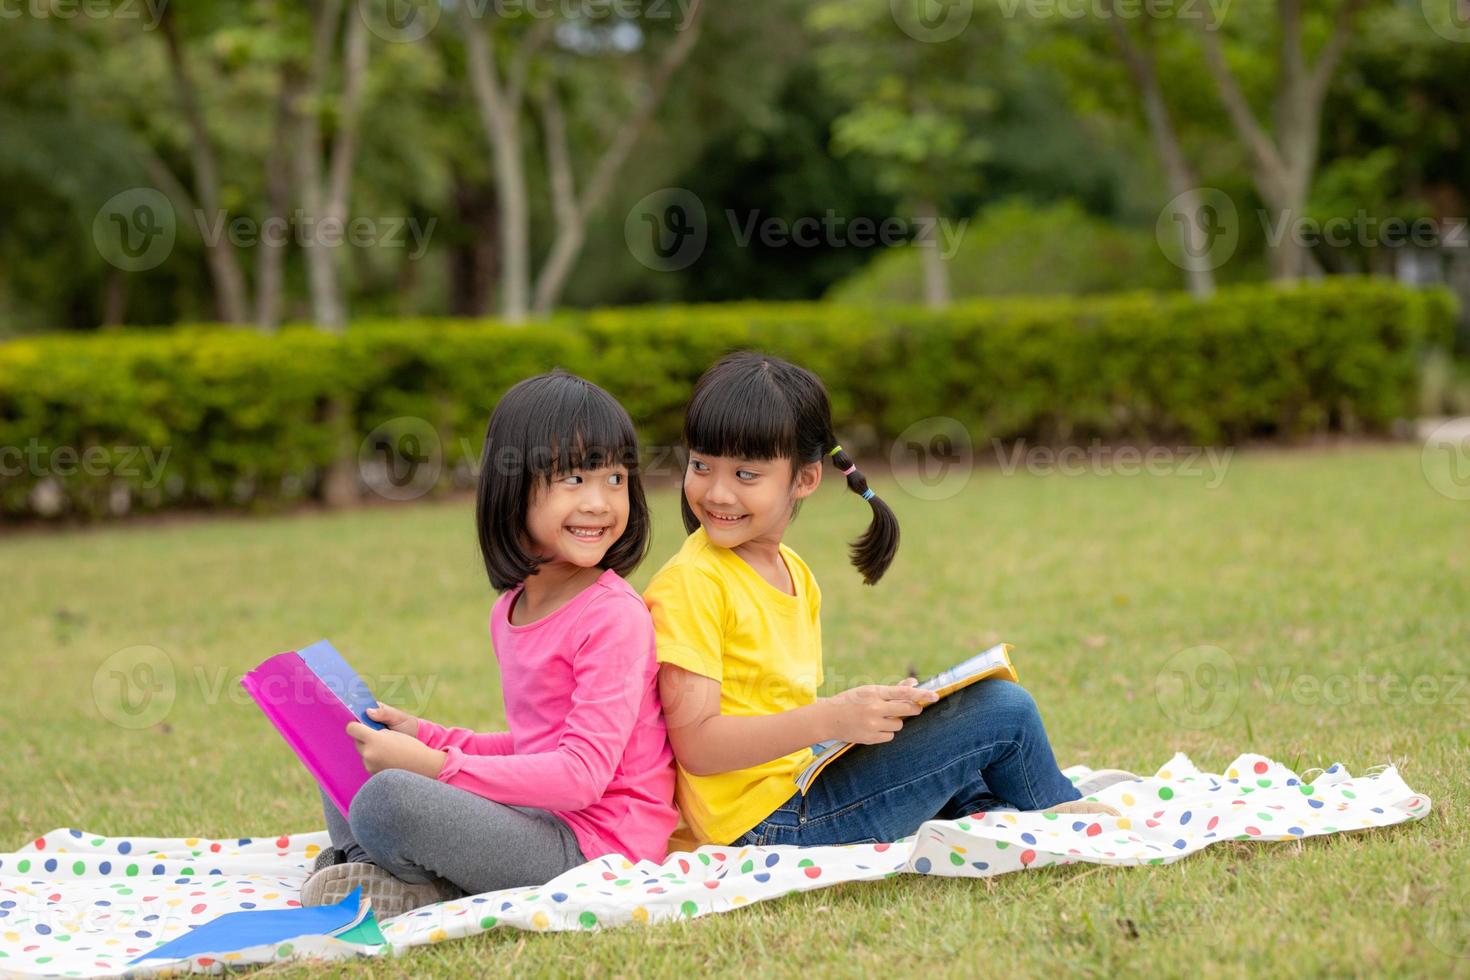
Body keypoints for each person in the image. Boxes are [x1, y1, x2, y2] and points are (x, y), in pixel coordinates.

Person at [645, 352, 1128, 851]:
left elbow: (774, 707)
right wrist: (831, 717)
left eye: (746, 475)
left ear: (805, 479)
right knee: (1003, 710)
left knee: (943, 721)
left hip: (797, 782)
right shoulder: (691, 583)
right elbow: (698, 745)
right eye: (702, 466)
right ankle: (1064, 817)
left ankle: (985, 812)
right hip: (766, 826)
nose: (717, 493)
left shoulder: (792, 570)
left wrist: (872, 714)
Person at [303, 371, 678, 917]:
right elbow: (535, 746)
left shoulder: (613, 616)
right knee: (348, 744)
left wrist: (436, 767)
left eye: (615, 479)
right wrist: (427, 737)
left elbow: (580, 774)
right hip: (537, 819)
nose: (600, 502)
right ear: (513, 485)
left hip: (594, 850)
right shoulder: (511, 609)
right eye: (574, 479)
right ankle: (380, 870)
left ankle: (392, 874)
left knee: (391, 798)